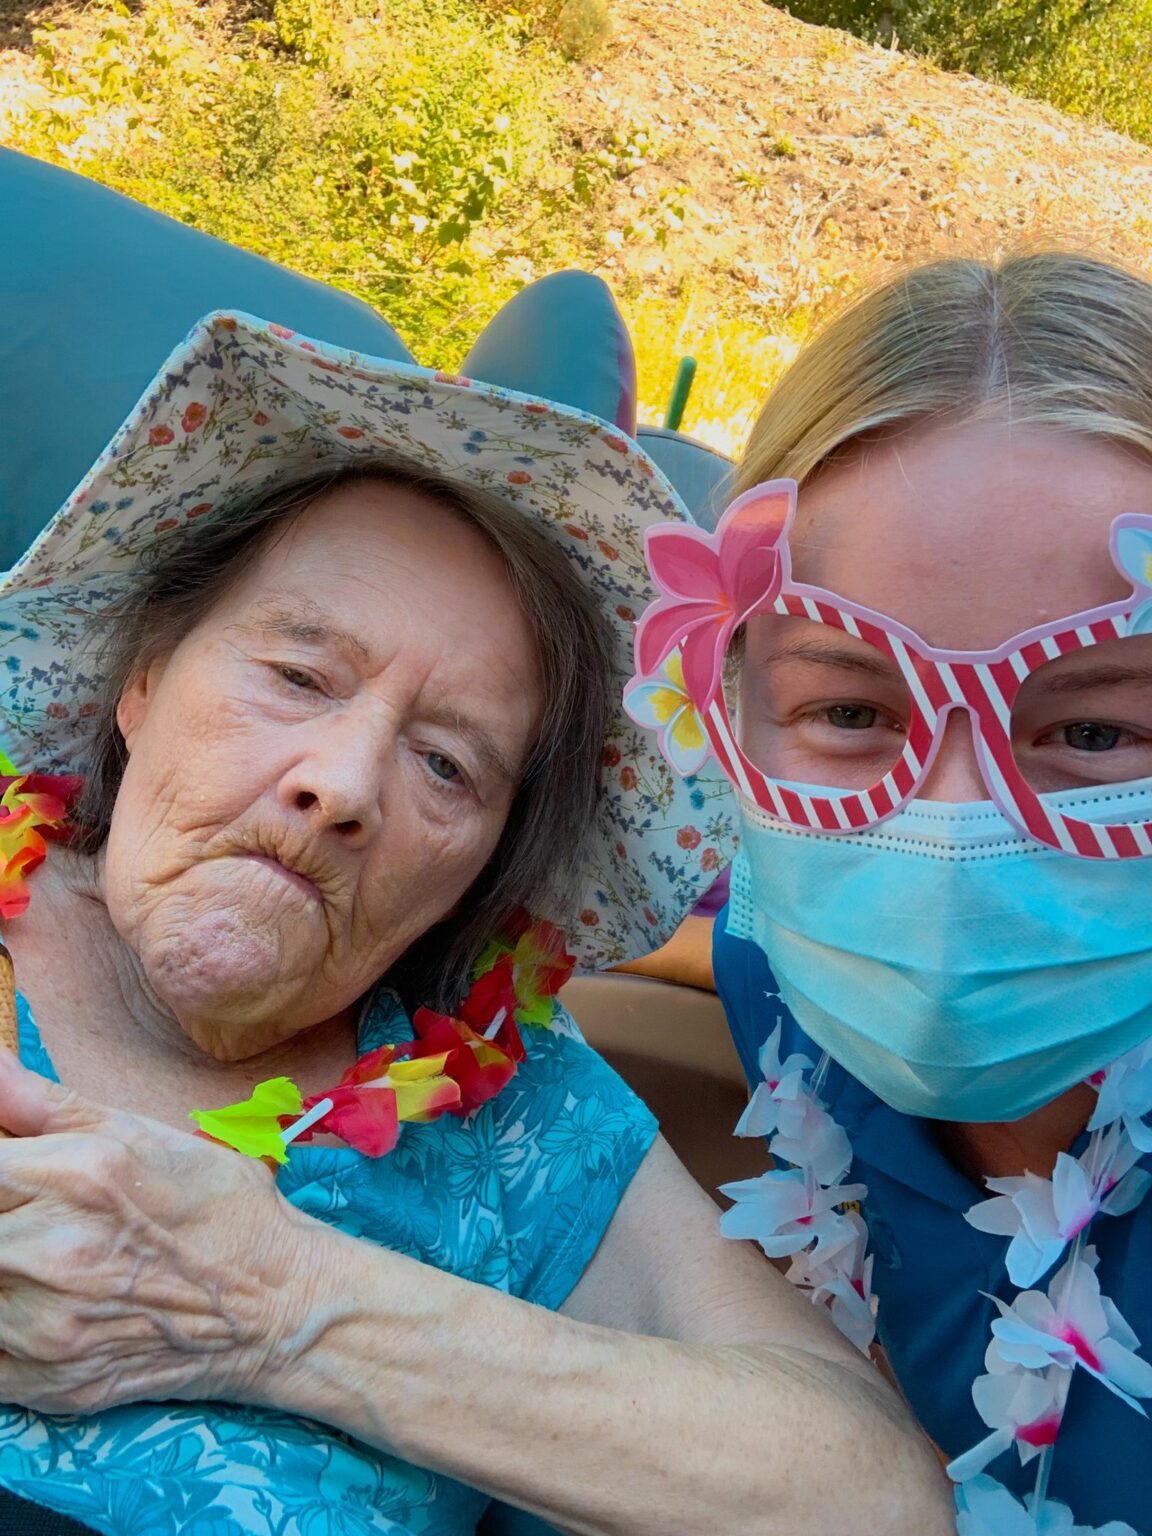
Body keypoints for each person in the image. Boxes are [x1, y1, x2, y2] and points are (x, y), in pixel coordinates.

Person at [0, 313, 949, 1536]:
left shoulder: (519, 1112)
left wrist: (275, 1303)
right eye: (297, 677)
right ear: (143, 682)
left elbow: (873, 1502)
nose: (342, 784)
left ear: (486, 865)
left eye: (447, 764)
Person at [632, 250, 1152, 1533]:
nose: (951, 837)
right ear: (729, 703)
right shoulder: (780, 965)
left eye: (1094, 734)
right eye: (854, 713)